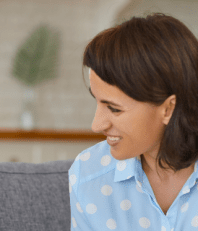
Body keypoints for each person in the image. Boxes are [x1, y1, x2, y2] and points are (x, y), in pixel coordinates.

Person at [69, 13, 198, 230]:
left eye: (114, 108)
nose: (97, 125)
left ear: (168, 108)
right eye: (98, 102)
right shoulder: (87, 174)